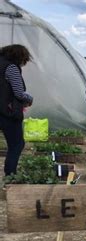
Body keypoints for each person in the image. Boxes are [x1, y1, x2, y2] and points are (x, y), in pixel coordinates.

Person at [0, 44, 33, 178]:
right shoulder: (11, 68)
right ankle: (10, 176)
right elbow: (19, 93)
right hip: (7, 113)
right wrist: (30, 98)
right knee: (17, 144)